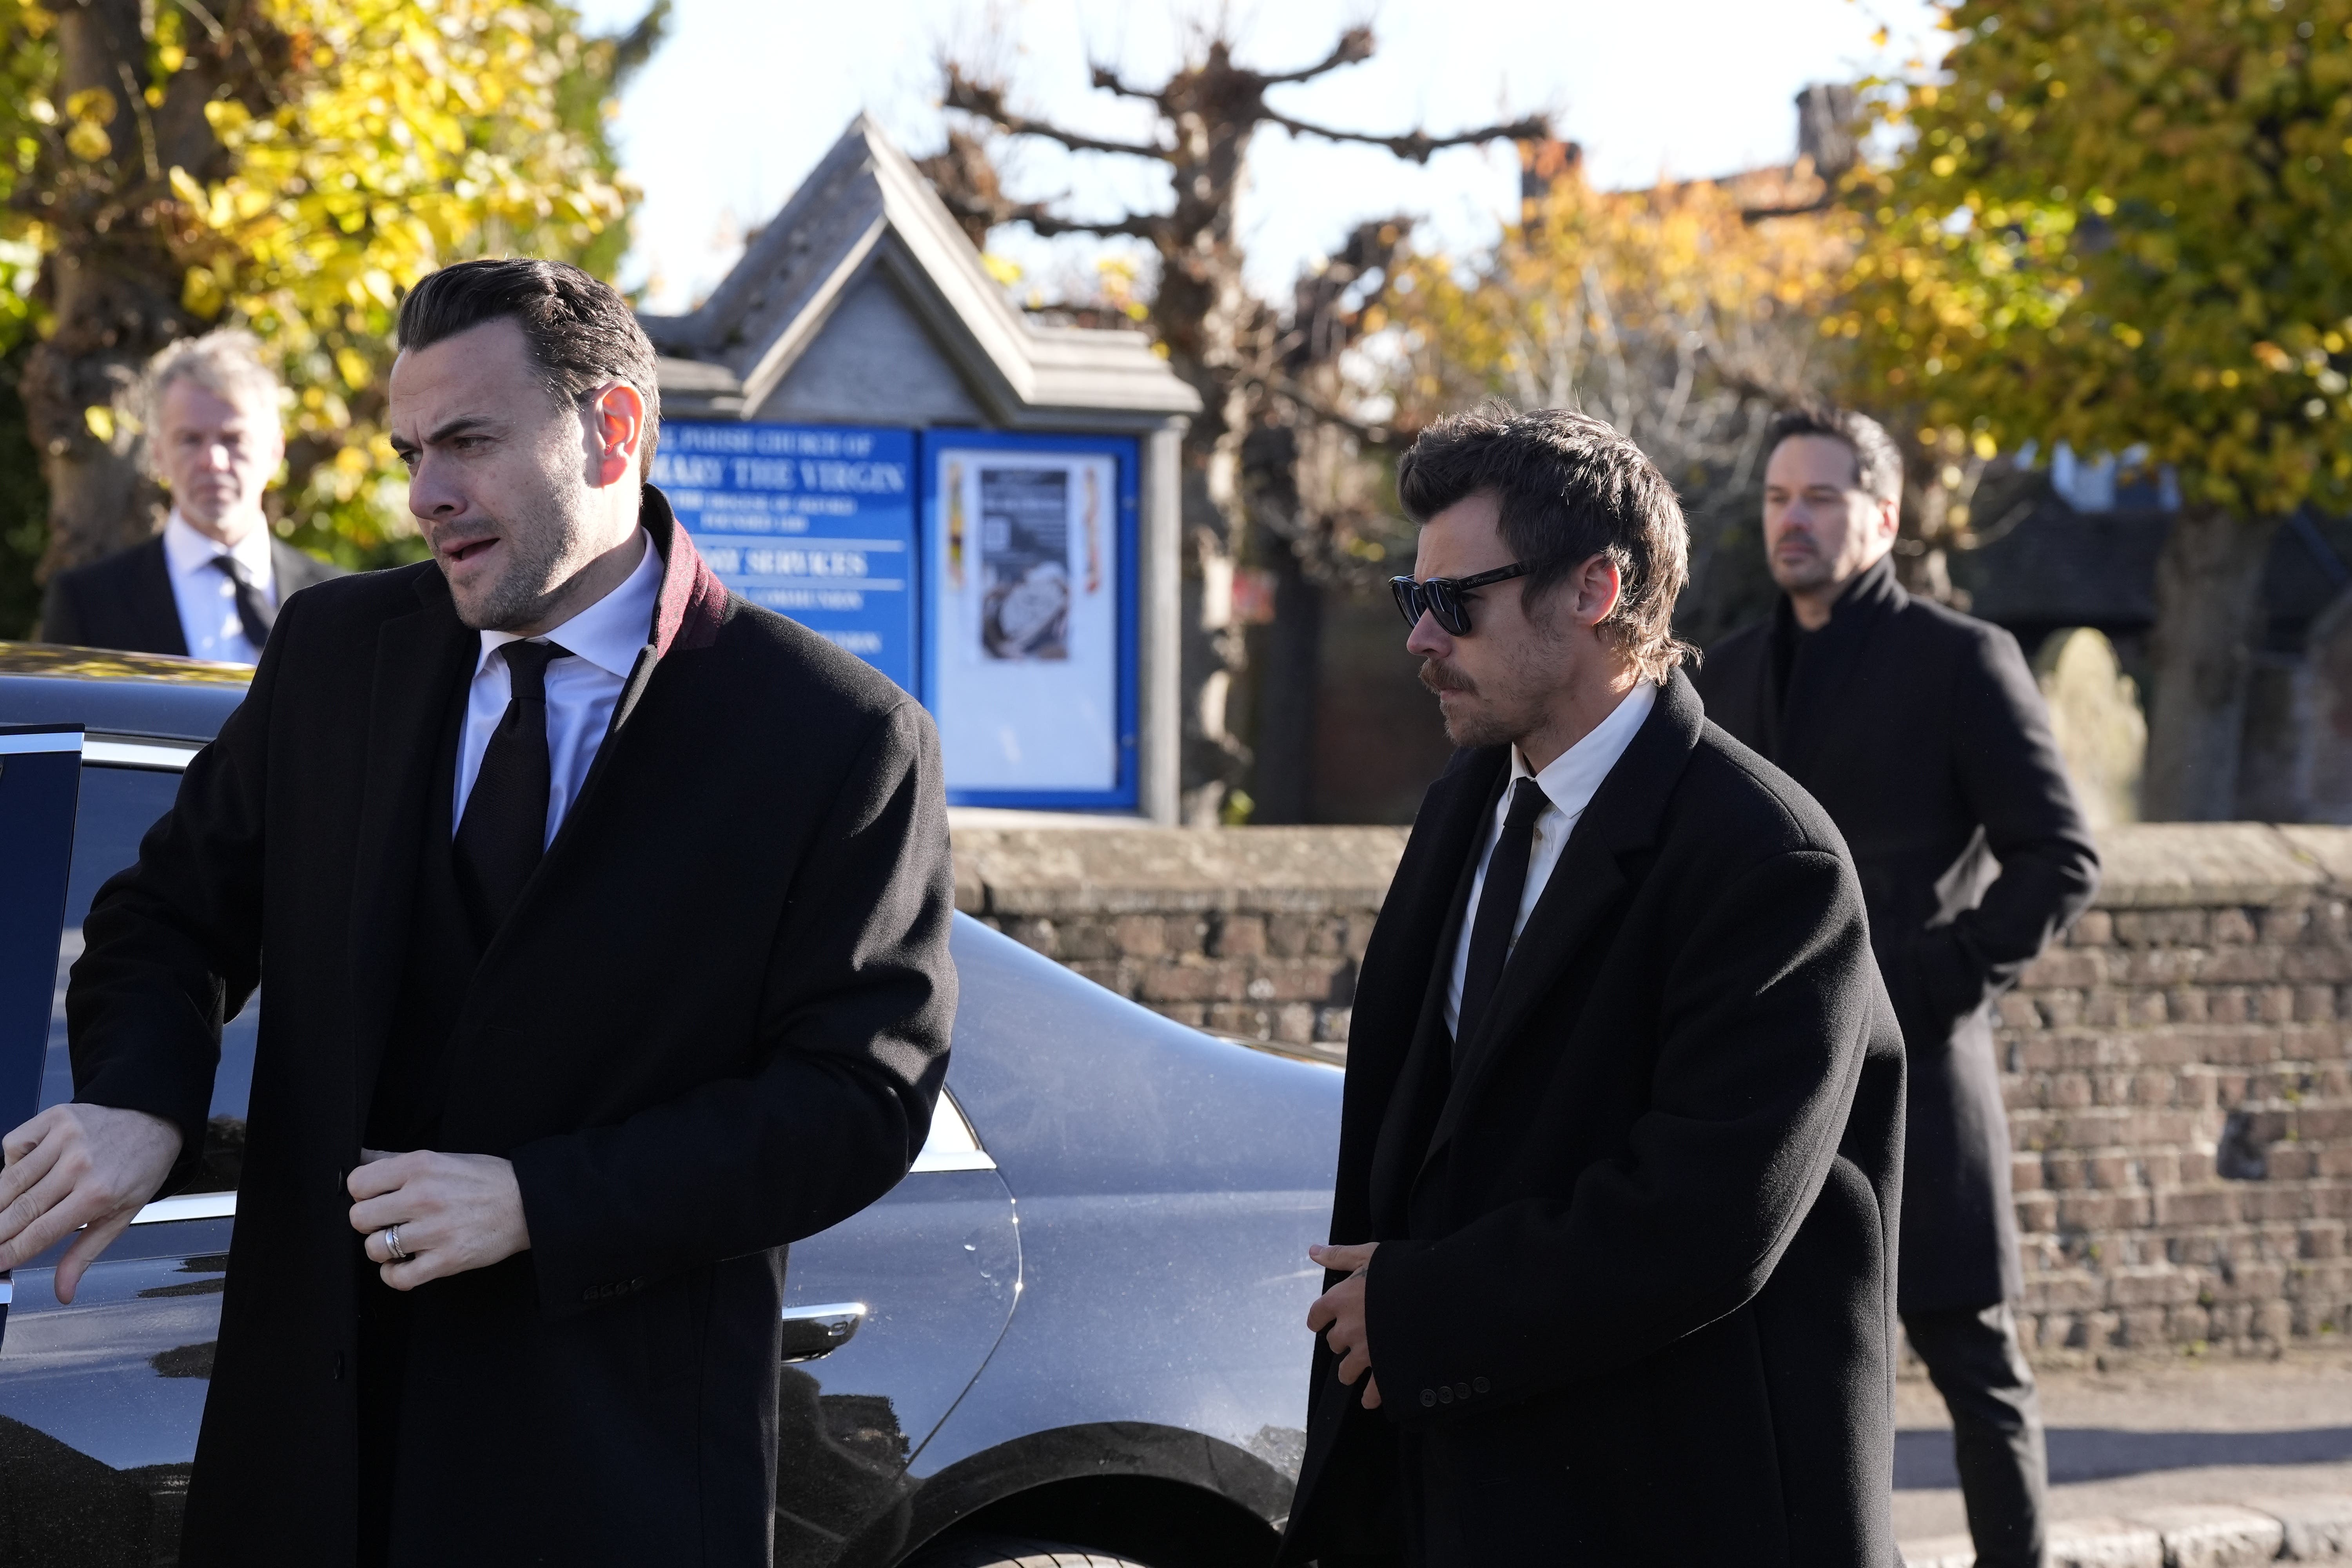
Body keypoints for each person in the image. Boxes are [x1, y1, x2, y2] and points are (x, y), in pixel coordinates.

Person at [0, 258, 958, 1566]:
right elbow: (167, 913)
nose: (423, 495)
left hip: (605, 1483)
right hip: (305, 1478)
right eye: (411, 450)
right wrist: (140, 1097)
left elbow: (862, 1096)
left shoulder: (833, 736)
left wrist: (543, 1202)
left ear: (612, 429)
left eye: (467, 443)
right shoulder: (337, 653)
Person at [1279, 404, 1906, 1566]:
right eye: (1409, 600)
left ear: (1592, 590)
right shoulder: (1463, 803)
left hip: (1665, 1501)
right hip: (1455, 1480)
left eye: (1453, 602)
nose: (1420, 639)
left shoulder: (1767, 857)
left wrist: (1425, 1310)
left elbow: (1713, 1212)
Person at [1695, 406, 2100, 1568]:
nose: (1792, 519)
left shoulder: (1960, 659)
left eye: (1819, 498)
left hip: (1920, 1071)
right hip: (1772, 1086)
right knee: (1793, 1375)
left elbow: (2058, 856)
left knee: (1974, 1362)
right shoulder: (1719, 673)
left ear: (1880, 515)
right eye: (1776, 498)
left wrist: (1932, 982)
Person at [39, 329, 343, 660]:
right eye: (190, 440)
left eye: (233, 439)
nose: (212, 461)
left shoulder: (338, 600)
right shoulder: (88, 604)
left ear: (274, 451)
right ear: (158, 455)